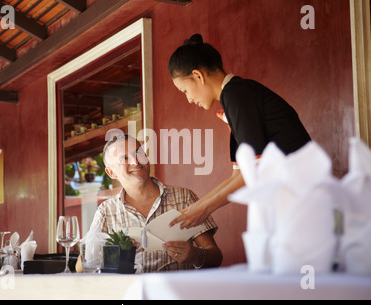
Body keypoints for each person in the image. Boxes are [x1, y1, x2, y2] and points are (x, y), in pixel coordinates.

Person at [168, 34, 311, 229]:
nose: (189, 99)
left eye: (184, 90)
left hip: (302, 199)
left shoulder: (237, 95)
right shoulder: (234, 96)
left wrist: (204, 209)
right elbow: (239, 175)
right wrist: (195, 208)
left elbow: (253, 172)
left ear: (198, 76)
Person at [89, 133, 223, 272]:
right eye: (125, 158)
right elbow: (81, 266)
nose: (136, 162)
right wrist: (109, 254)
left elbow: (216, 257)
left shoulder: (183, 197)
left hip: (176, 291)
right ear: (111, 173)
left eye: (138, 153)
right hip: (130, 292)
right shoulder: (105, 211)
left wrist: (196, 256)